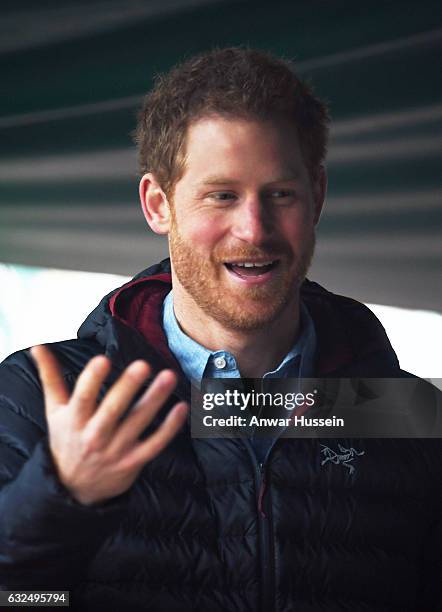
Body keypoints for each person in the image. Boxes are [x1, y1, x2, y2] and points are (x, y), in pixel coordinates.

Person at [0, 47, 440, 612]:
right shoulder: (37, 398)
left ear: (318, 197)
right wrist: (63, 498)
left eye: (280, 194)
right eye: (222, 195)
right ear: (159, 205)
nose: (253, 229)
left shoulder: (407, 413)